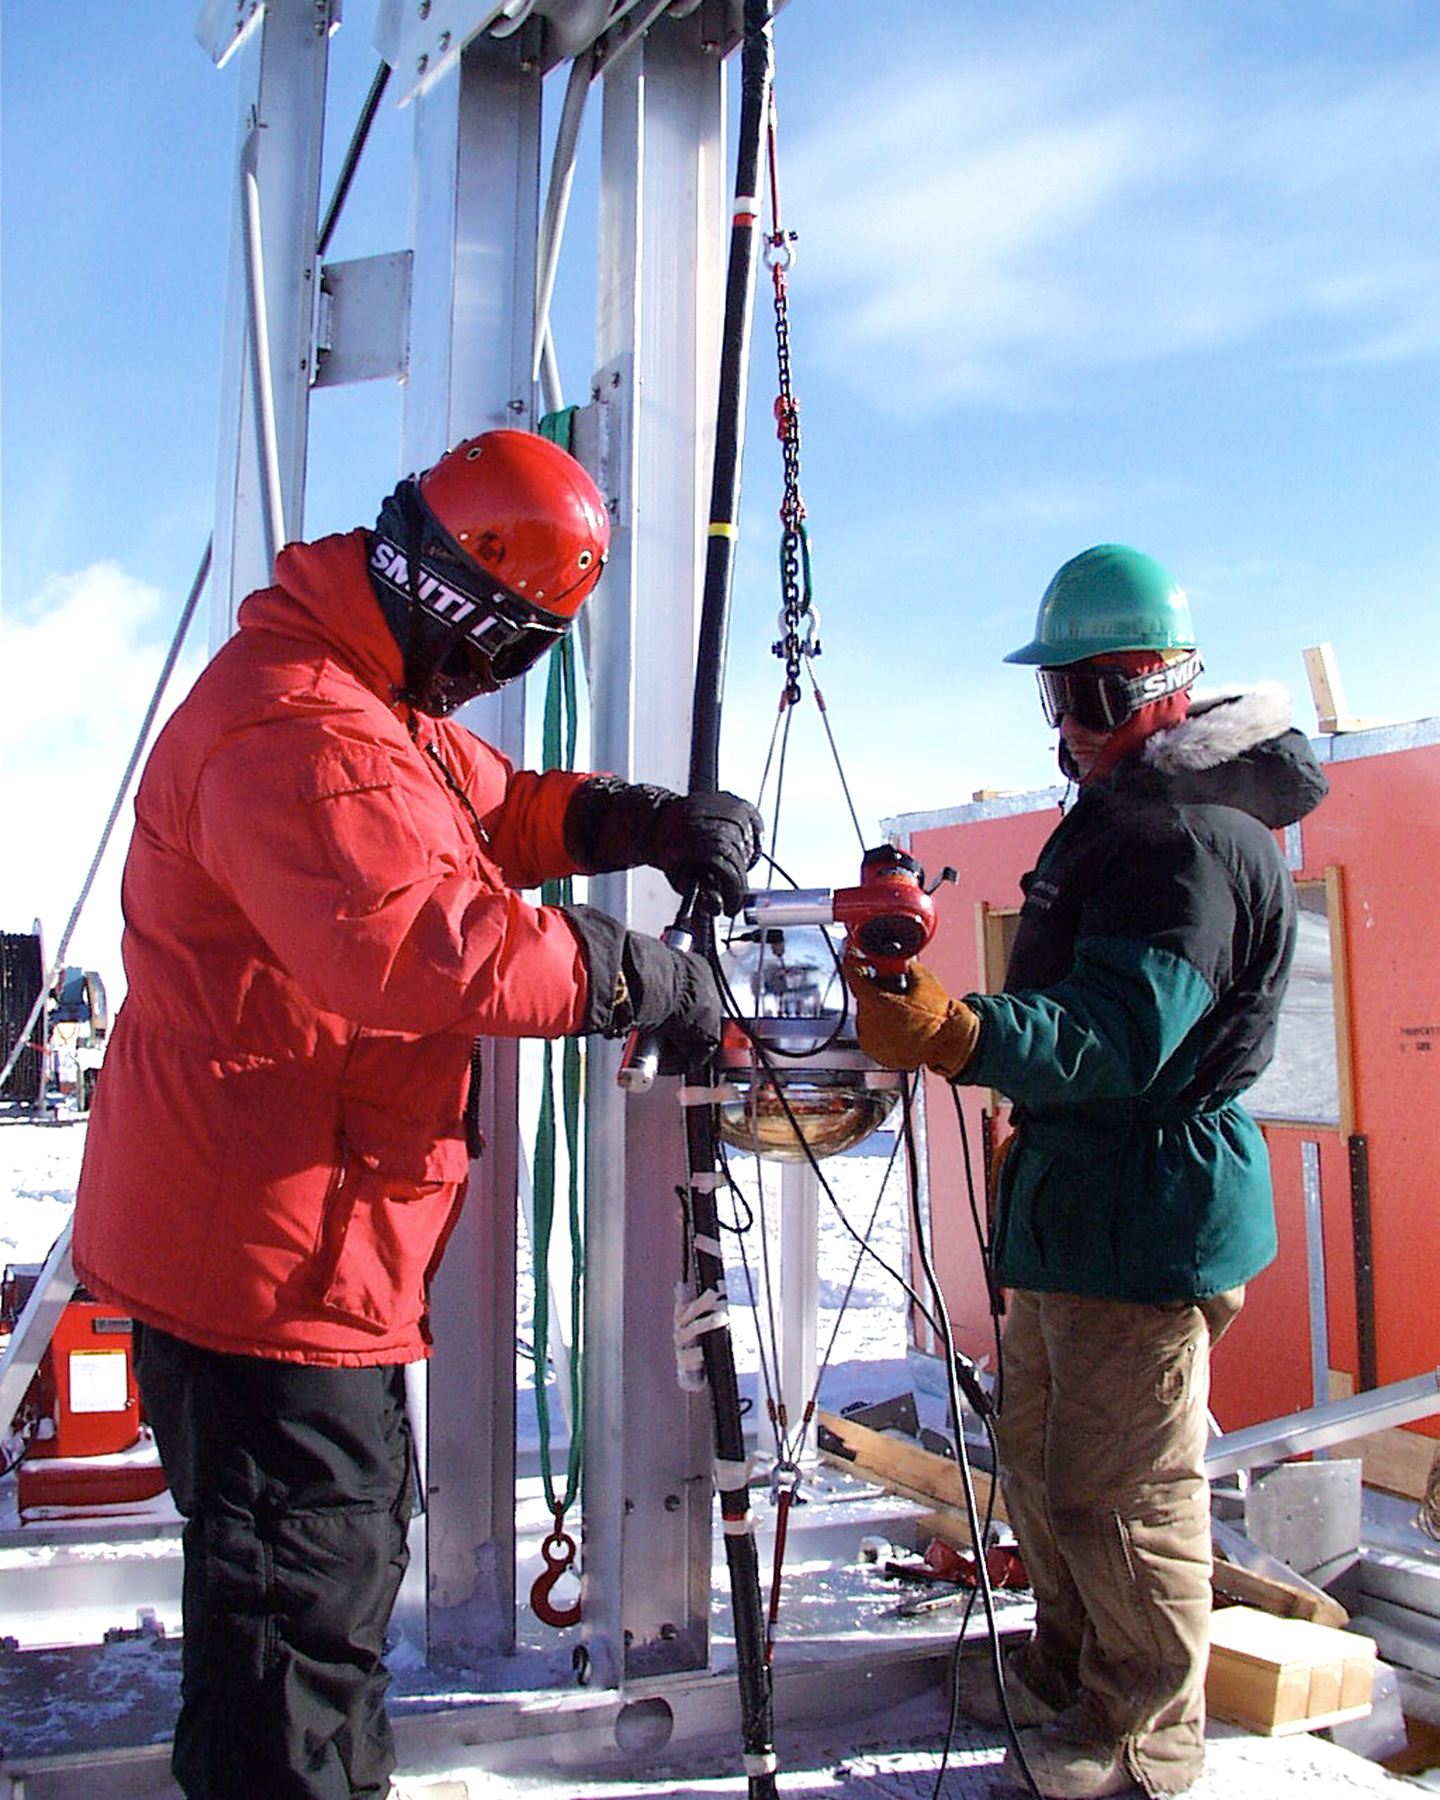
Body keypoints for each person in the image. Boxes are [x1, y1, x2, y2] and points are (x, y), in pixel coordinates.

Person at [71, 428, 762, 1800]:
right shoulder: (295, 724)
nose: (492, 687)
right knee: (295, 1621)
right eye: (503, 654)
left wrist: (635, 821)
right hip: (262, 1268)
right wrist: (639, 977)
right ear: (458, 607)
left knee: (320, 1588)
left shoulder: (364, 698)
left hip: (304, 1248)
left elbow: (482, 810)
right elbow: (411, 943)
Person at [845, 545, 1329, 1800]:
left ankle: (1140, 1742)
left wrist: (961, 1032)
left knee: (1124, 1493)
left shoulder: (1192, 842)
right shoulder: (1123, 825)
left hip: (1147, 1212)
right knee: (1052, 1471)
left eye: (1079, 699)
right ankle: (1070, 1680)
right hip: (1082, 1205)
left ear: (1144, 692)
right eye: (1053, 700)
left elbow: (1120, 1030)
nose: (1063, 728)